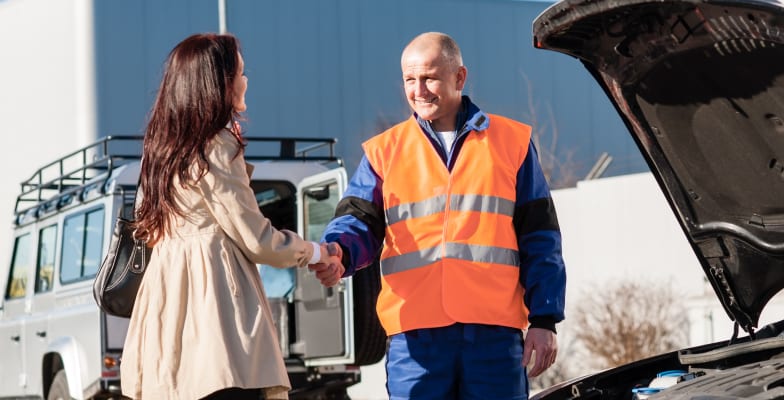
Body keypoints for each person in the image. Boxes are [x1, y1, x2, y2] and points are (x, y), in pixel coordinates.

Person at [309, 31, 567, 399]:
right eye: (409, 80)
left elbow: (541, 236)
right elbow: (358, 219)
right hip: (416, 338)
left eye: (429, 77)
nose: (419, 90)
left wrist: (544, 319)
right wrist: (339, 251)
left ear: (459, 77)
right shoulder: (385, 151)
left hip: (493, 335)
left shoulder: (512, 143)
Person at [121, 33, 330, 400]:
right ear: (217, 83)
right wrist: (314, 251)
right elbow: (257, 239)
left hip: (164, 318)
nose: (245, 81)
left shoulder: (159, 150)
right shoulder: (215, 145)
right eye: (240, 73)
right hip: (216, 318)